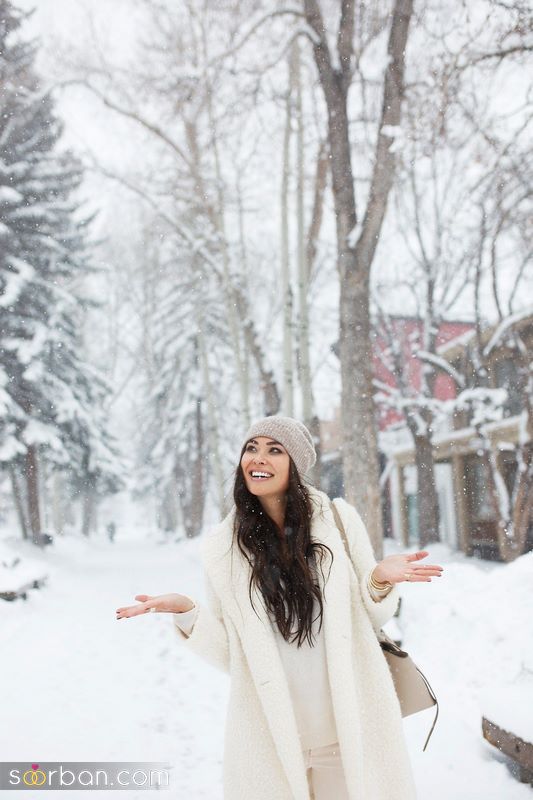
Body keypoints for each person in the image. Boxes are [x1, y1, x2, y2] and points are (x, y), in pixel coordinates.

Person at [116, 416, 444, 800]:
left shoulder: (338, 521)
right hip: (269, 736)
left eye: (275, 450)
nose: (259, 458)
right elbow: (234, 655)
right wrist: (188, 611)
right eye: (251, 448)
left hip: (347, 730)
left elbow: (366, 621)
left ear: (296, 464)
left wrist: (379, 580)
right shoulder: (224, 549)